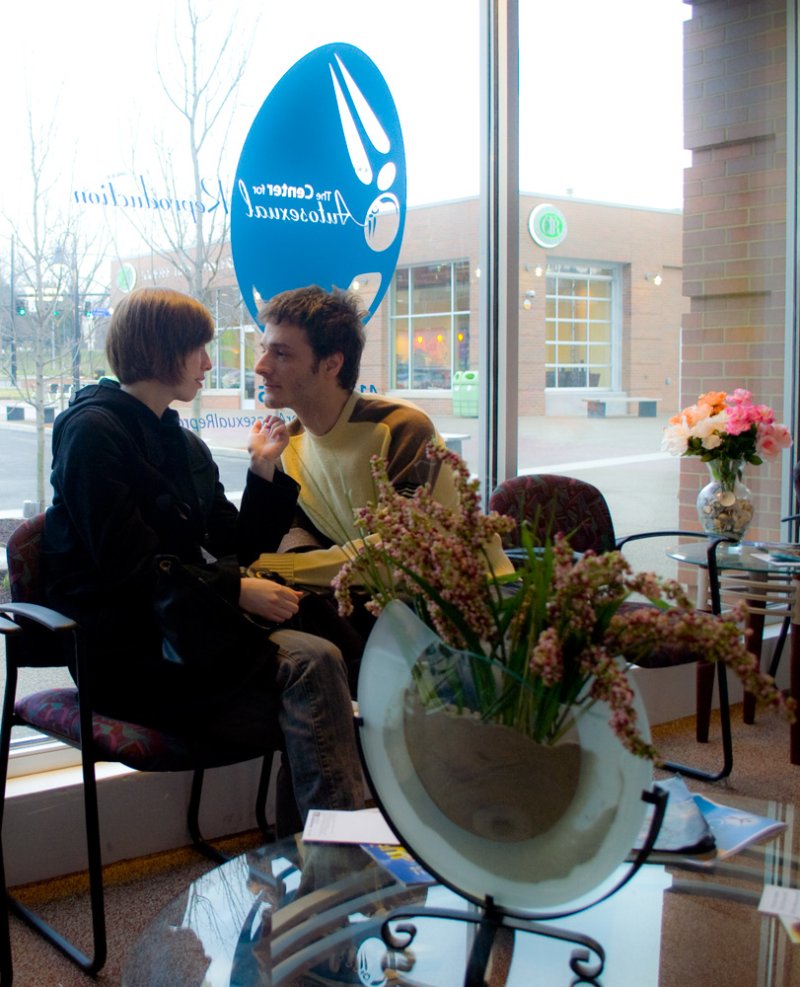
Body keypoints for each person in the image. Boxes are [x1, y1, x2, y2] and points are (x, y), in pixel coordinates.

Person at [41, 286, 364, 829]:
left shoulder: (181, 442)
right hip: (129, 648)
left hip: (189, 626)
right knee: (313, 663)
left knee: (333, 634)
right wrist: (236, 591)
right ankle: (338, 856)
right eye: (199, 349)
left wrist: (263, 471)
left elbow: (238, 546)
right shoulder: (92, 433)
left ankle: (319, 855)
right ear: (163, 349)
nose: (209, 364)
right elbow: (130, 570)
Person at [247, 284, 512, 590]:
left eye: (281, 353)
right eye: (264, 350)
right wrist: (260, 471)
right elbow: (284, 538)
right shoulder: (284, 447)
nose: (260, 366)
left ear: (332, 364)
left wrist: (276, 569)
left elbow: (400, 552)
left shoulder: (404, 427)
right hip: (384, 601)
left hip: (479, 600)